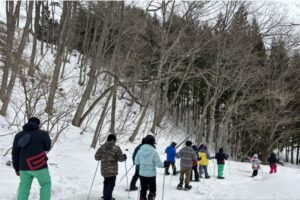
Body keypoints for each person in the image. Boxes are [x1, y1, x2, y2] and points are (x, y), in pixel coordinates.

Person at [12, 117, 52, 200]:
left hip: (23, 167)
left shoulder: (19, 135)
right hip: (39, 165)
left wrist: (16, 169)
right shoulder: (43, 133)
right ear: (38, 124)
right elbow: (47, 147)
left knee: (24, 188)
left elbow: (15, 153)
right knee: (45, 184)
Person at [95, 134, 127, 200]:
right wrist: (124, 157)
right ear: (114, 140)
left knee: (106, 182)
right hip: (112, 170)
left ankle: (106, 196)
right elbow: (120, 159)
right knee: (111, 184)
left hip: (104, 170)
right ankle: (107, 198)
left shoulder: (102, 147)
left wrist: (102, 156)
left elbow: (96, 157)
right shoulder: (116, 148)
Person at [134, 135, 165, 200]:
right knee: (152, 189)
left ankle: (142, 198)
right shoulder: (154, 152)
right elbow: (158, 164)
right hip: (151, 175)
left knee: (143, 188)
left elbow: (136, 162)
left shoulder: (140, 151)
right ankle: (151, 196)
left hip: (142, 174)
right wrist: (164, 165)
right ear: (153, 143)